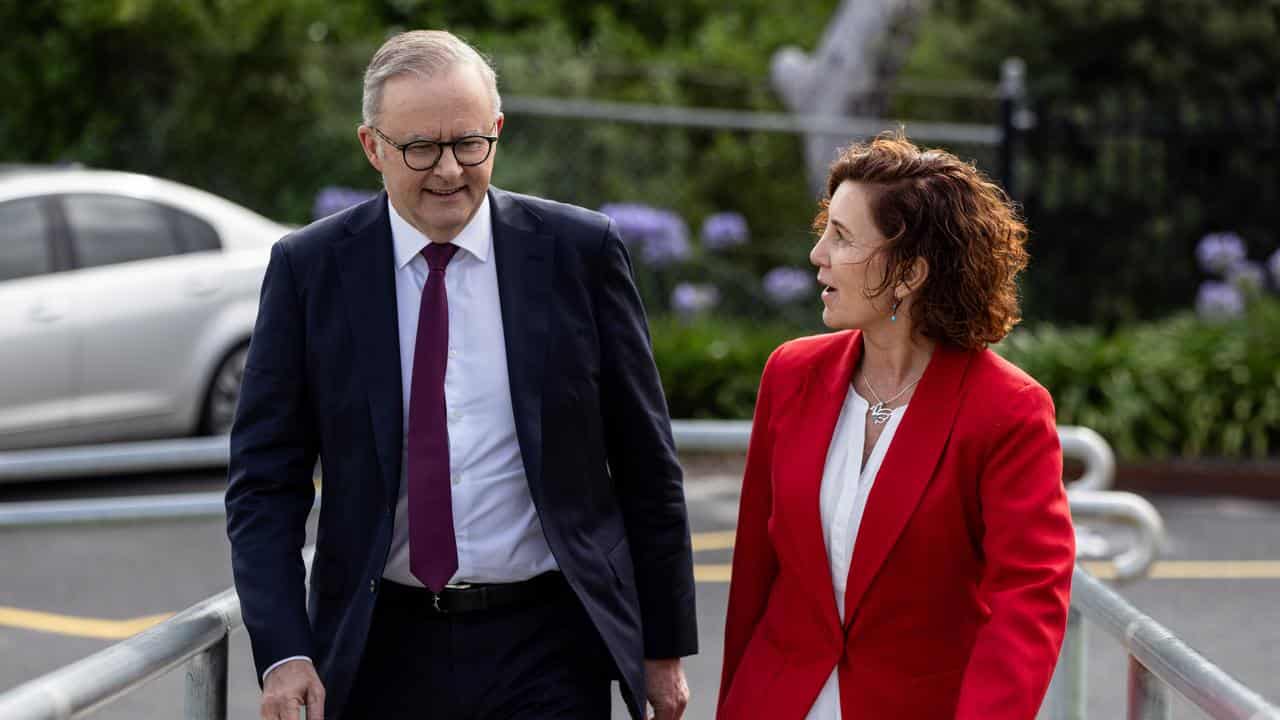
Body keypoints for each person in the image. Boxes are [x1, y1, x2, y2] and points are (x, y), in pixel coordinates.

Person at [225, 30, 696, 720]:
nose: (448, 170)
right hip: (381, 647)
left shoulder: (579, 253)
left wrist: (664, 645)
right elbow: (266, 482)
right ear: (372, 147)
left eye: (469, 144)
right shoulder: (311, 271)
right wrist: (283, 650)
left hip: (548, 641)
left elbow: (646, 461)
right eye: (420, 148)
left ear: (496, 131)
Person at [717, 133, 1075, 719]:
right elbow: (756, 575)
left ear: (909, 273)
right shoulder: (790, 374)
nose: (818, 255)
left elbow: (1027, 603)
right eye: (824, 231)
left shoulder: (1008, 410)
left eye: (843, 237)